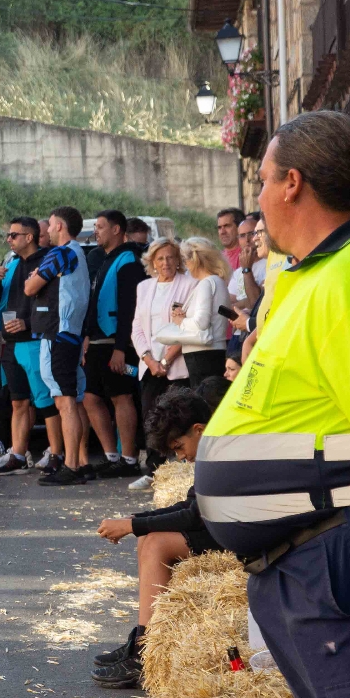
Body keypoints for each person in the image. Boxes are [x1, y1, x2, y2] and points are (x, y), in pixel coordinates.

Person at [189, 116, 350, 698]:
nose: (258, 198)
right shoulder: (309, 277)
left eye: (263, 180)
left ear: (292, 183)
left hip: (337, 560)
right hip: (305, 563)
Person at [91, 384, 225, 689]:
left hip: (242, 533)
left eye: (179, 447)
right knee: (147, 537)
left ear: (199, 429)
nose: (180, 457)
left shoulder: (218, 454)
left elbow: (195, 515)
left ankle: (145, 653)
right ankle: (144, 637)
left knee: (155, 543)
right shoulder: (213, 447)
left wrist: (134, 525)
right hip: (225, 525)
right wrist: (136, 520)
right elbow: (192, 506)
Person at [25, 207, 92, 485]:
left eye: (50, 226)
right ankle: (82, 462)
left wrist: (36, 276)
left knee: (64, 402)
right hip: (71, 334)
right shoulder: (78, 253)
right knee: (73, 400)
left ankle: (71, 465)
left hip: (57, 334)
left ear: (61, 226)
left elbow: (30, 287)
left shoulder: (61, 253)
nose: (48, 231)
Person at [128, 238, 196, 491]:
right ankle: (153, 471)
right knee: (151, 417)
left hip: (177, 364)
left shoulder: (189, 284)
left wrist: (167, 360)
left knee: (181, 417)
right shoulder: (144, 287)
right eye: (160, 258)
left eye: (170, 257)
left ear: (178, 259)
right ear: (152, 262)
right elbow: (137, 327)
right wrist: (149, 359)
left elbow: (187, 326)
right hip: (150, 364)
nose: (165, 263)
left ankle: (186, 469)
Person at [82, 210, 147, 480]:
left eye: (100, 227)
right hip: (97, 342)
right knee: (90, 397)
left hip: (117, 345)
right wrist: (87, 335)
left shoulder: (129, 260)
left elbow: (129, 308)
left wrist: (121, 348)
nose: (95, 232)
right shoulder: (104, 259)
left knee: (122, 396)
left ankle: (129, 458)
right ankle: (111, 456)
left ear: (117, 229)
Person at [0, 218, 51, 475]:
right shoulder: (12, 264)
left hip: (36, 341)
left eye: (14, 235)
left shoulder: (46, 262)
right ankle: (17, 455)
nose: (9, 239)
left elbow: (52, 304)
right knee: (18, 401)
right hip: (11, 342)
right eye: (8, 235)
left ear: (29, 237)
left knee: (47, 402)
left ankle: (57, 454)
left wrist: (28, 323)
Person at [170, 238, 232, 383]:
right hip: (209, 353)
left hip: (203, 355)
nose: (185, 266)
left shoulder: (207, 283)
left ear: (195, 260)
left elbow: (201, 323)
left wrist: (181, 321)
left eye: (185, 260)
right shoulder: (216, 282)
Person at [215, 206, 246, 272]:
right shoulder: (217, 258)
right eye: (219, 228)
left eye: (227, 226)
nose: (222, 232)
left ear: (239, 227)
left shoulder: (247, 255)